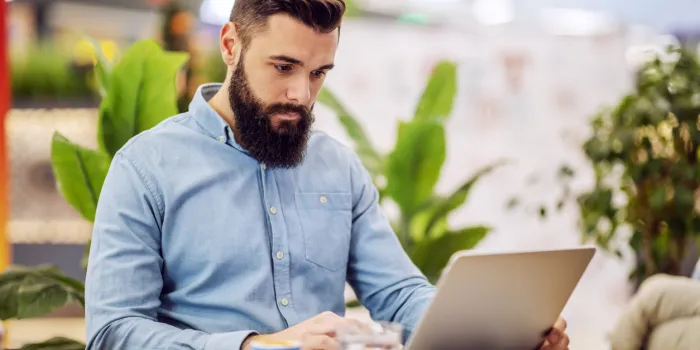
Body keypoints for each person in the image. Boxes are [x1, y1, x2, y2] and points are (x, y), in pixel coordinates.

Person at [84, 1, 569, 349]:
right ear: (231, 44)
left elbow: (398, 294)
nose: (301, 93)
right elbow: (112, 331)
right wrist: (257, 347)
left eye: (319, 73)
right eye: (284, 66)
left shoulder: (338, 167)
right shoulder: (145, 168)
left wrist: (496, 331)